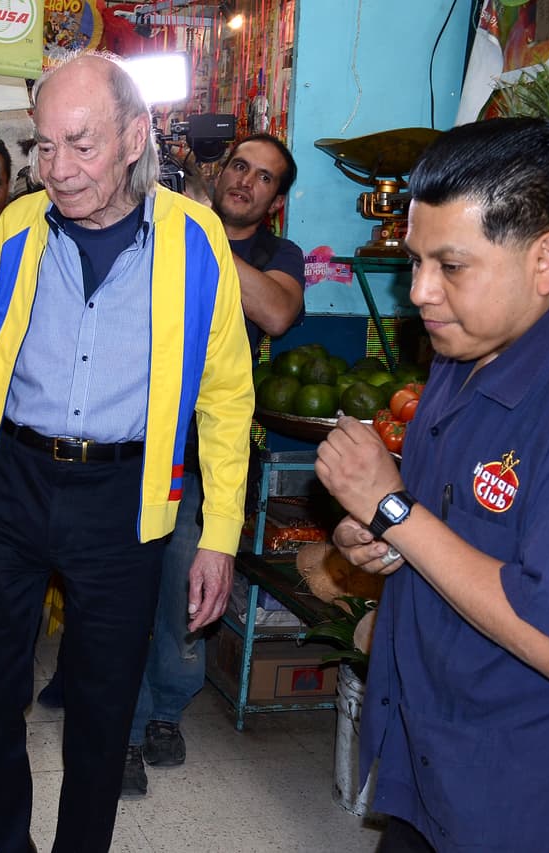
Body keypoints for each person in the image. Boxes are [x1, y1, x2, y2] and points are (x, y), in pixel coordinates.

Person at [0, 55, 252, 853]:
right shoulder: (20, 228)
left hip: (125, 497)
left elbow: (226, 396)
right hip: (13, 482)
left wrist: (219, 534)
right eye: (42, 147)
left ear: (135, 137)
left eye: (80, 145)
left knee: (103, 707)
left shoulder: (196, 240)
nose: (55, 171)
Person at [317, 117, 549, 853]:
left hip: (513, 790)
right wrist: (372, 535)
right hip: (425, 758)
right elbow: (430, 528)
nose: (420, 291)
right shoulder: (457, 358)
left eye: (451, 266)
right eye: (416, 260)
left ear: (545, 260)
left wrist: (392, 509)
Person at [123, 133, 308, 796]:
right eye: (238, 166)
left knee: (182, 595)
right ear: (220, 168)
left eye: (264, 178)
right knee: (124, 596)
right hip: (131, 446)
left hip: (207, 459)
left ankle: (166, 712)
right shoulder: (158, 219)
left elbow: (278, 311)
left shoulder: (274, 256)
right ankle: (124, 727)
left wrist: (202, 226)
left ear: (276, 199)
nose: (245, 182)